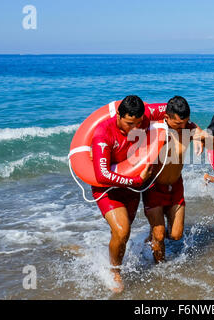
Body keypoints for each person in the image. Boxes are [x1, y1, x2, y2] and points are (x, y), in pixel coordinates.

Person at [91, 95, 167, 293]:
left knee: (122, 234)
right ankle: (115, 271)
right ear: (118, 115)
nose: (135, 128)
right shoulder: (103, 134)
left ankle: (115, 256)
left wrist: (194, 128)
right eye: (129, 123)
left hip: (132, 188)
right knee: (122, 230)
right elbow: (102, 174)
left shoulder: (144, 117)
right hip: (108, 188)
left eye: (139, 123)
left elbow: (173, 108)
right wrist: (136, 180)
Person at [143, 96, 209, 263]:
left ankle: (154, 233)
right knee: (159, 235)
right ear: (167, 117)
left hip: (176, 186)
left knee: (176, 235)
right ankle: (160, 268)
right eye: (178, 124)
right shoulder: (153, 130)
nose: (183, 127)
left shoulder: (188, 127)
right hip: (154, 187)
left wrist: (201, 138)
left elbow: (199, 132)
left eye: (185, 122)